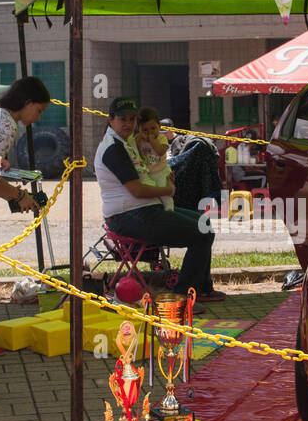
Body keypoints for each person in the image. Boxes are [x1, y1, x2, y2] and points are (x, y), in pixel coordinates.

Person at [93, 97, 224, 302]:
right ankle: (182, 298)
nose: (128, 124)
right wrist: (167, 189)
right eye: (122, 119)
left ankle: (202, 289)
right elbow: (136, 190)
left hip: (144, 210)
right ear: (110, 120)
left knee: (204, 224)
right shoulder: (114, 148)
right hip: (129, 216)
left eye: (131, 119)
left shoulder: (125, 142)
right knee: (201, 233)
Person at [0, 75, 52, 214]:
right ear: (28, 102)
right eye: (39, 111)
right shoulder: (7, 124)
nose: (38, 118)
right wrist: (20, 196)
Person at [133, 107, 174, 211]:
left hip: (161, 172)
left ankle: (169, 210)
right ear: (139, 129)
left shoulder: (161, 138)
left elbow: (160, 151)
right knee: (152, 196)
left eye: (153, 128)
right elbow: (135, 153)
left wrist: (152, 140)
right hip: (147, 173)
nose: (149, 132)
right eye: (145, 130)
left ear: (159, 126)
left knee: (165, 195)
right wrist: (137, 141)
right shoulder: (138, 139)